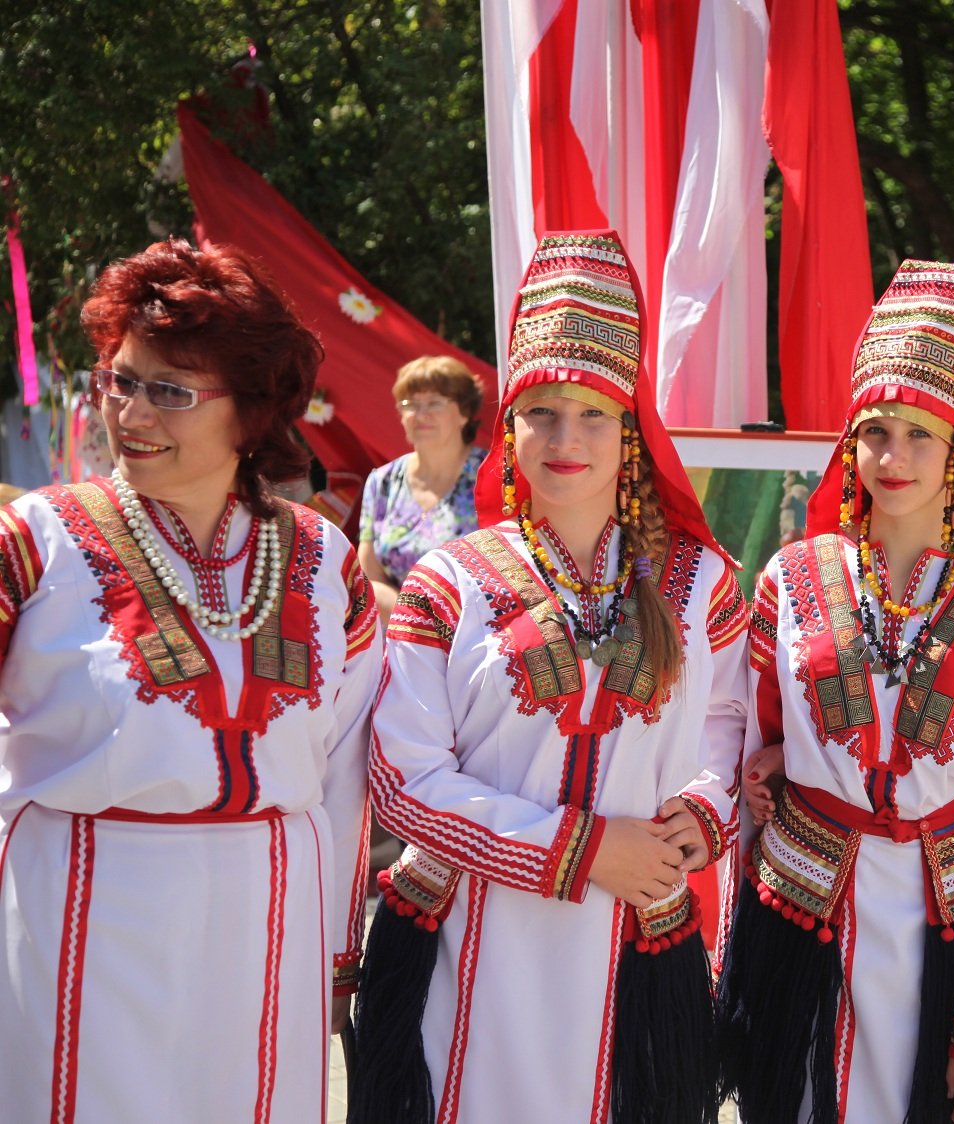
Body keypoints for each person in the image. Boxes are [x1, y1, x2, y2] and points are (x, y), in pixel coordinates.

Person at [350, 230, 748, 1124]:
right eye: (541, 413)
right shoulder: (447, 580)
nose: (566, 439)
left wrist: (705, 811)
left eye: (593, 414)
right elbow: (403, 782)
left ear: (631, 430)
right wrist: (583, 848)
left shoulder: (700, 583)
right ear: (508, 427)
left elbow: (732, 723)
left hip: (635, 944)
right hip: (469, 946)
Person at [0, 237, 379, 1120]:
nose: (131, 413)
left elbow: (352, 766)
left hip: (268, 921)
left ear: (250, 412)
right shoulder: (36, 542)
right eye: (120, 380)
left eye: (170, 390)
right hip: (82, 908)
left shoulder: (324, 560)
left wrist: (334, 952)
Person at [720, 261, 954, 1124]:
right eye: (874, 429)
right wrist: (763, 768)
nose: (893, 456)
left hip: (935, 924)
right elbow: (739, 737)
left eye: (920, 432)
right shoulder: (790, 579)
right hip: (797, 912)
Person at [358, 356, 486, 623]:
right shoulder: (381, 482)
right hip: (399, 635)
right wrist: (415, 622)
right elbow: (369, 576)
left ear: (463, 412)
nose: (421, 414)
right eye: (410, 404)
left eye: (435, 403)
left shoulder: (493, 476)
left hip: (478, 633)